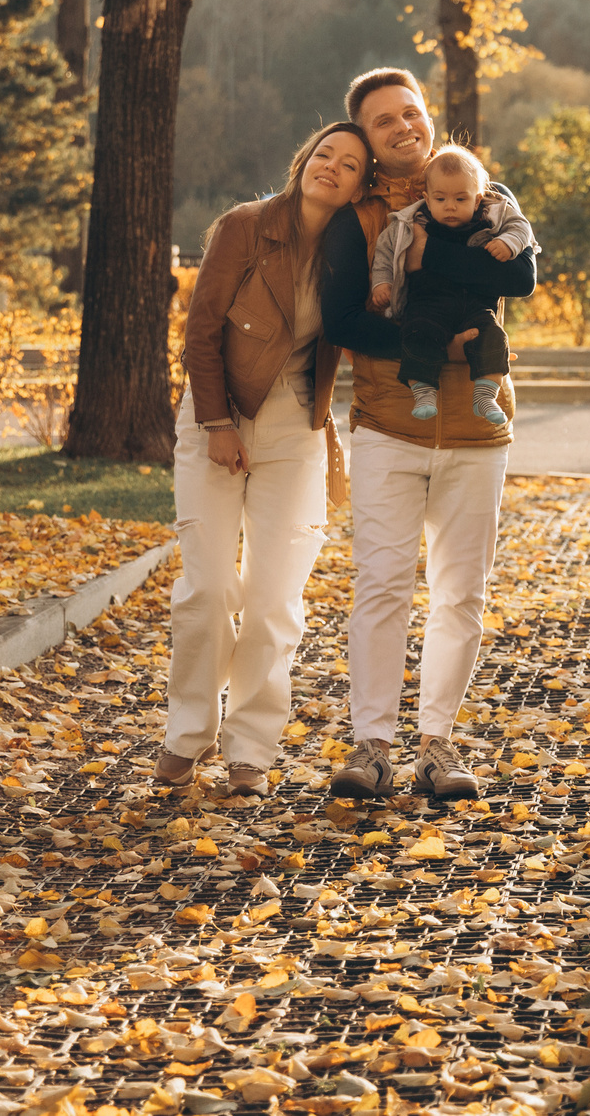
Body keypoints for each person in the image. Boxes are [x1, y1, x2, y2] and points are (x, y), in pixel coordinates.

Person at [319, 69, 536, 799]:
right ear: (370, 142)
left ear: (430, 119)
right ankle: (371, 745)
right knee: (381, 584)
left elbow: (521, 279)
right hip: (388, 423)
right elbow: (344, 319)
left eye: (411, 111)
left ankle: (437, 745)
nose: (404, 125)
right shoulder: (361, 220)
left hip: (478, 427)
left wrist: (440, 262)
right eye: (384, 121)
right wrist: (425, 341)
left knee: (460, 592)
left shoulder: (486, 198)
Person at [155, 121, 371, 797]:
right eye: (323, 154)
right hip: (218, 421)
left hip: (295, 433)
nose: (330, 167)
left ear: (362, 186)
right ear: (302, 159)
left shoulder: (351, 253)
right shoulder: (245, 226)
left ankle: (250, 748)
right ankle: (188, 733)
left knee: (274, 597)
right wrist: (218, 422)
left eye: (349, 164)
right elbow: (200, 331)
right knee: (212, 589)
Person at [367, 143, 536, 425]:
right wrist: (381, 283)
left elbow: (522, 228)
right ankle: (423, 391)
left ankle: (486, 395)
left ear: (478, 198)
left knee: (494, 338)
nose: (450, 207)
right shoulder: (408, 223)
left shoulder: (493, 214)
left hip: (476, 305)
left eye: (460, 199)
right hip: (427, 303)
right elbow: (386, 251)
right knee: (417, 332)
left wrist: (508, 242)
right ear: (427, 198)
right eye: (441, 199)